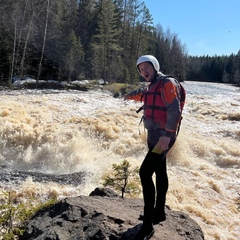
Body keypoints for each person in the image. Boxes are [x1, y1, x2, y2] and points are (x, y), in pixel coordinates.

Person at [124, 55, 185, 240]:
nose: (143, 71)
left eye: (146, 67)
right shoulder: (151, 86)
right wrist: (128, 96)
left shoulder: (167, 83)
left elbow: (174, 110)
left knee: (144, 172)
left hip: (163, 137)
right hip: (154, 135)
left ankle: (148, 225)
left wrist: (167, 136)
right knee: (160, 171)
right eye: (140, 69)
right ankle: (159, 212)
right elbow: (142, 96)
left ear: (155, 66)